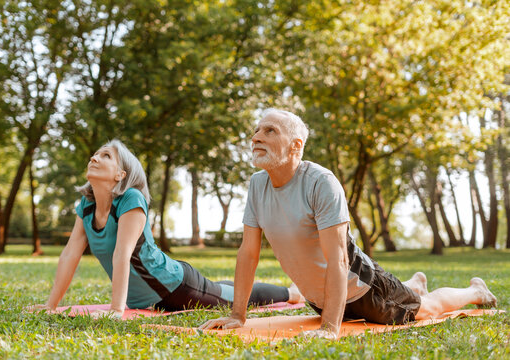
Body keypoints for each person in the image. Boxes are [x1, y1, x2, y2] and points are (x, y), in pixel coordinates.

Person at [200, 108, 497, 339]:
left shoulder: (321, 183)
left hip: (362, 289)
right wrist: (238, 315)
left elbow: (339, 260)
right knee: (408, 298)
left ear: (295, 145)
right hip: (320, 298)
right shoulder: (257, 185)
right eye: (256, 130)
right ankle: (412, 285)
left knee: (426, 309)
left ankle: (475, 292)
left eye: (269, 130)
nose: (256, 137)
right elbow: (248, 253)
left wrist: (330, 328)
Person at [28, 139, 303, 319]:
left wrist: (115, 311)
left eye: (106, 156)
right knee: (222, 288)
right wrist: (51, 306)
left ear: (120, 175)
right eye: (95, 154)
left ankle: (291, 293)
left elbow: (122, 255)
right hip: (144, 298)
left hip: (174, 287)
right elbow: (69, 256)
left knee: (231, 297)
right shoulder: (85, 206)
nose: (94, 157)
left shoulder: (131, 200)